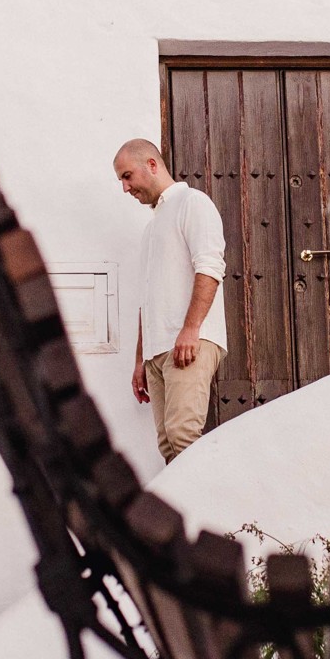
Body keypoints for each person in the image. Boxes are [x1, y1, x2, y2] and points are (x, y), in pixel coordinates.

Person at [115, 138, 228, 462]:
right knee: (168, 446)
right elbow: (147, 298)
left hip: (189, 343)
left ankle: (212, 512)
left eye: (127, 176)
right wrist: (140, 359)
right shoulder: (152, 229)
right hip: (158, 350)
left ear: (152, 164)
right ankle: (188, 513)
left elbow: (209, 268)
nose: (125, 188)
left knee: (183, 437)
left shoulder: (193, 203)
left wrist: (191, 329)